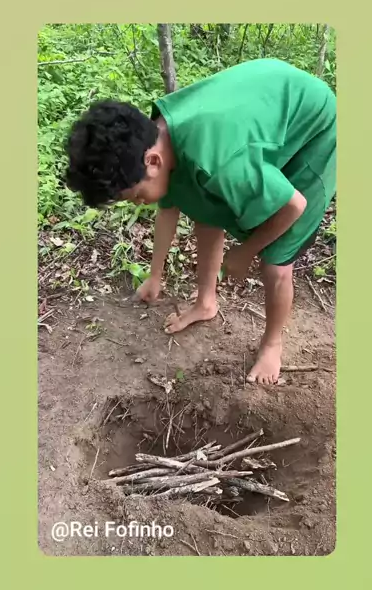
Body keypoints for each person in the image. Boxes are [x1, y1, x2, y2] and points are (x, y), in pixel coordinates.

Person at [65, 58, 336, 386]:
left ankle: (272, 344)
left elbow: (293, 206)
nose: (139, 203)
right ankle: (206, 303)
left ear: (152, 162)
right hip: (265, 102)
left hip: (315, 123)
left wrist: (245, 252)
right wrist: (154, 276)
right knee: (203, 205)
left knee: (276, 260)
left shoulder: (219, 162)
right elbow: (169, 209)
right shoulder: (158, 138)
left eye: (136, 196)